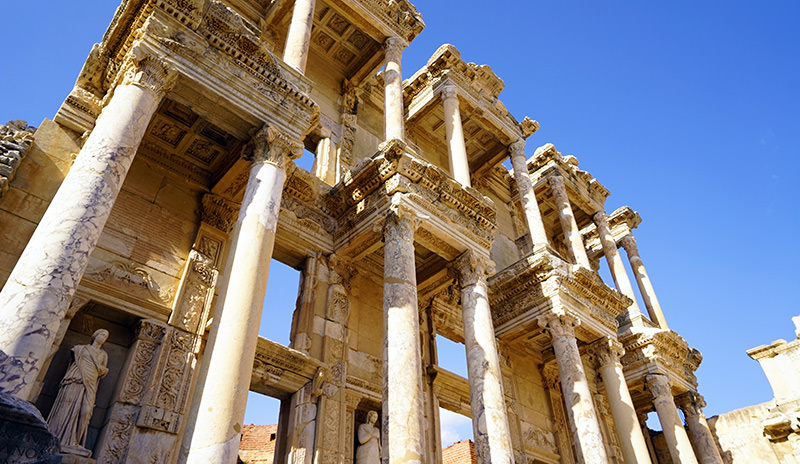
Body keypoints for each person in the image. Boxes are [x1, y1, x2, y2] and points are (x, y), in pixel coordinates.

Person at [46, 328, 110, 456]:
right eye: (102, 334)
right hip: (75, 379)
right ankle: (57, 437)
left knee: (86, 412)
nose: (103, 337)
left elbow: (102, 370)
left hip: (90, 383)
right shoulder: (80, 348)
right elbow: (74, 362)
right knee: (67, 406)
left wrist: (102, 369)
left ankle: (75, 441)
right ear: (95, 335)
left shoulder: (103, 355)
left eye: (106, 336)